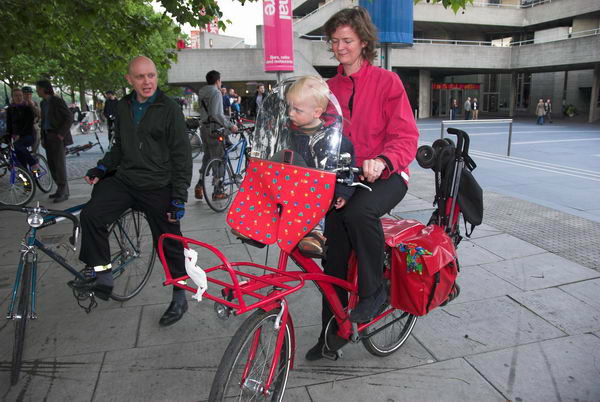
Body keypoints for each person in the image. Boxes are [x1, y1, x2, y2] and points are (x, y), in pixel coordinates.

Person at [305, 7, 419, 361]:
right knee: (333, 262)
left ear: (364, 42)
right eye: (335, 41)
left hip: (386, 176)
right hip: (344, 181)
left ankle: (375, 291)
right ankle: (331, 336)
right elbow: (317, 133)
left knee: (358, 213)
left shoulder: (388, 82)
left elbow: (406, 136)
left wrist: (383, 160)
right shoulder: (328, 89)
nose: (340, 47)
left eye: (347, 41)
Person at [71, 56, 192, 327]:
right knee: (91, 214)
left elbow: (181, 155)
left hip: (158, 184)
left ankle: (180, 294)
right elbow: (119, 147)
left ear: (156, 76)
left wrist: (178, 196)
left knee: (170, 242)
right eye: (140, 77)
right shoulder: (123, 107)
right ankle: (102, 274)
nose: (147, 81)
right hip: (126, 180)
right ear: (130, 80)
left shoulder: (168, 107)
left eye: (151, 75)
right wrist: (102, 169)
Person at [286, 76, 356, 257]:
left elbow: (346, 168)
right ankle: (258, 225)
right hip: (291, 187)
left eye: (297, 109)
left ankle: (315, 234)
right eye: (289, 107)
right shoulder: (291, 134)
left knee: (314, 202)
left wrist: (343, 192)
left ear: (317, 112)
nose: (290, 113)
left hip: (318, 192)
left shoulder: (335, 140)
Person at [193, 70, 238, 200]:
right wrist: (231, 126)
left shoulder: (202, 92)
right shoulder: (216, 92)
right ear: (217, 81)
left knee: (207, 157)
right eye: (220, 80)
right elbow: (217, 114)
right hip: (214, 129)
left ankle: (199, 185)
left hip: (204, 128)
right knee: (219, 158)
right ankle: (218, 190)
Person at [37, 79, 73, 202]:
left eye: (38, 88)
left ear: (44, 89)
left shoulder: (57, 101)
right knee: (52, 164)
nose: (37, 91)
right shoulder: (43, 103)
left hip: (56, 136)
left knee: (59, 164)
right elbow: (44, 121)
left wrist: (61, 135)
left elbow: (68, 117)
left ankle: (64, 191)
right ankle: (59, 189)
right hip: (48, 136)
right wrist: (42, 136)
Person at [5, 88, 39, 171]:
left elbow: (28, 124)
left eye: (20, 95)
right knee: (20, 158)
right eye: (16, 96)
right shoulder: (10, 109)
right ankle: (27, 181)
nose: (18, 97)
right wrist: (8, 138)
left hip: (28, 135)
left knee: (18, 146)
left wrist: (19, 135)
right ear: (12, 97)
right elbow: (9, 125)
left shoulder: (27, 108)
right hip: (16, 137)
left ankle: (33, 163)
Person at [22, 86, 41, 153]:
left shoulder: (34, 103)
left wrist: (33, 106)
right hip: (22, 128)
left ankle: (34, 154)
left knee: (37, 131)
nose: (28, 96)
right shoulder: (20, 103)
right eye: (26, 94)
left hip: (33, 127)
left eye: (30, 94)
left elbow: (40, 115)